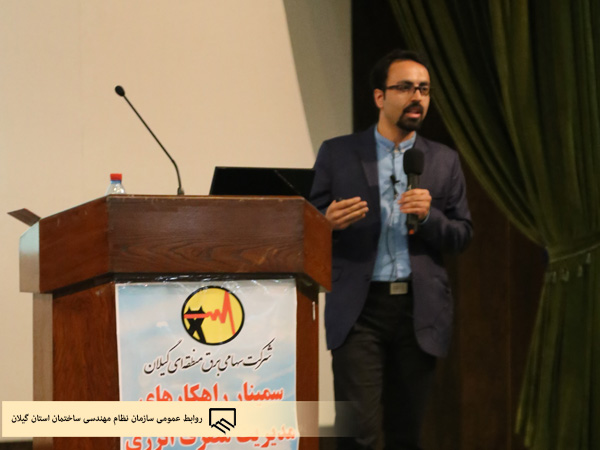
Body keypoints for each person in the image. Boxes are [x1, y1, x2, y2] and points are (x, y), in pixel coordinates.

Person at [310, 49, 473, 450]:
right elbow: (306, 223)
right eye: (405, 87)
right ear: (380, 97)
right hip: (359, 311)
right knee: (358, 435)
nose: (417, 97)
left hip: (418, 311)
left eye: (424, 89)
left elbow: (462, 235)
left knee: (406, 435)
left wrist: (430, 216)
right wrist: (325, 223)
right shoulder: (338, 153)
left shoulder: (444, 161)